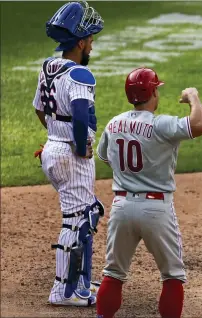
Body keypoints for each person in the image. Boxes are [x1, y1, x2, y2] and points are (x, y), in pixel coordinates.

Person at [95, 67, 202, 318]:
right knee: (172, 276)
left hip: (121, 207)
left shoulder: (114, 123)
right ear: (153, 92)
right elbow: (199, 124)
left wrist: (131, 175)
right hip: (156, 209)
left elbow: (105, 157)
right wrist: (193, 96)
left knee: (113, 274)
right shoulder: (162, 124)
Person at [32, 0, 105, 307]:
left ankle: (83, 281)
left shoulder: (49, 67)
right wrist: (77, 146)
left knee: (87, 215)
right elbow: (78, 114)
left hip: (53, 148)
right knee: (76, 220)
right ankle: (65, 291)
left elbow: (39, 108)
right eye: (89, 40)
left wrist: (54, 137)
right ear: (79, 42)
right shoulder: (80, 76)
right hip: (70, 156)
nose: (91, 46)